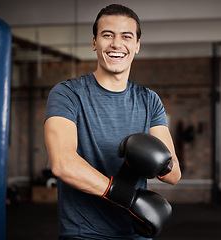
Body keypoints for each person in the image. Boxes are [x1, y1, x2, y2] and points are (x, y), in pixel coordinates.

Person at [44, 4, 181, 240]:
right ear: (95, 42)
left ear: (136, 45)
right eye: (108, 35)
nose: (117, 44)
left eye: (126, 36)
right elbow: (63, 163)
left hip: (135, 233)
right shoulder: (67, 94)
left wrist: (156, 163)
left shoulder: (149, 101)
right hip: (84, 234)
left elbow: (174, 174)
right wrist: (128, 197)